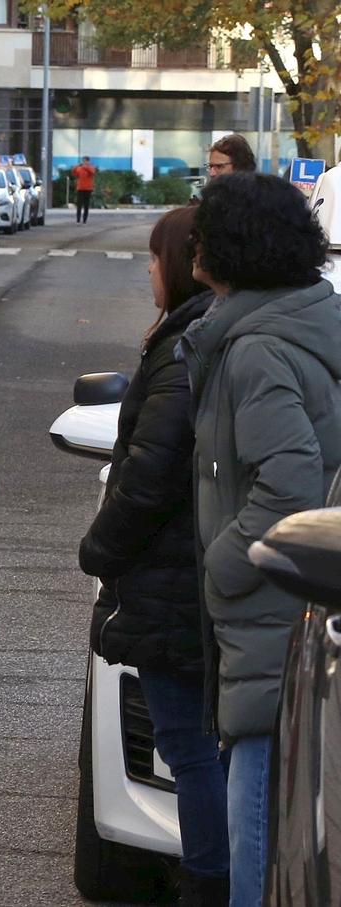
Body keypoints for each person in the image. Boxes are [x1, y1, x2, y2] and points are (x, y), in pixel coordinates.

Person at [185, 172, 341, 907]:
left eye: (205, 232)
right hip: (296, 597)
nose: (193, 245)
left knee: (254, 791)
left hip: (271, 604)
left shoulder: (256, 350)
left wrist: (223, 563)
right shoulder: (300, 322)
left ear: (236, 247)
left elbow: (288, 484)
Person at [77, 204, 227, 906]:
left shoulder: (183, 347)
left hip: (175, 580)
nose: (146, 269)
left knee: (189, 748)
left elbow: (149, 473)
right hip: (195, 574)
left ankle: (209, 880)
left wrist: (100, 549)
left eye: (153, 255)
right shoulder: (205, 336)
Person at [72, 156, 97, 224]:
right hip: (80, 188)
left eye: (86, 161)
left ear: (88, 161)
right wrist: (76, 166)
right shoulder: (80, 168)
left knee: (86, 205)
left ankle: (84, 220)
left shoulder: (91, 167)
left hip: (88, 189)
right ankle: (78, 219)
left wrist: (85, 167)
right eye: (83, 161)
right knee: (79, 205)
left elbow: (92, 172)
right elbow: (74, 172)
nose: (84, 162)